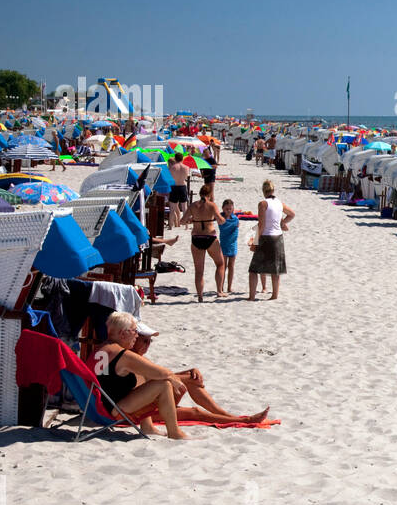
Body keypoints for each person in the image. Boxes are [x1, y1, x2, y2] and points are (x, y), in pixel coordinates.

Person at [129, 321, 269, 425]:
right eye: (144, 341)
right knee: (195, 412)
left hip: (150, 402)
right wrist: (186, 375)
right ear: (134, 340)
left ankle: (225, 415)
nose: (147, 345)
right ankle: (245, 420)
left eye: (149, 342)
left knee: (191, 378)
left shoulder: (139, 358)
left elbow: (158, 376)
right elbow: (159, 378)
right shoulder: (130, 359)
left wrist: (188, 372)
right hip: (138, 411)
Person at [93, 312, 187, 439]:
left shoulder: (102, 348)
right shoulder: (123, 355)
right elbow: (161, 372)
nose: (137, 336)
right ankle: (175, 433)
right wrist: (173, 378)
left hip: (98, 405)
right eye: (134, 331)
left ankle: (147, 426)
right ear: (123, 333)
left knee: (142, 377)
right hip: (113, 409)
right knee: (163, 384)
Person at [248, 180, 296, 301]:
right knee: (276, 270)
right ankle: (274, 295)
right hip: (278, 237)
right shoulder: (279, 203)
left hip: (266, 237)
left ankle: (251, 297)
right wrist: (282, 223)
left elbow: (261, 225)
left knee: (254, 269)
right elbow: (292, 214)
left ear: (263, 191)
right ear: (273, 190)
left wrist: (255, 242)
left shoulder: (263, 204)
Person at [181, 184, 226, 301]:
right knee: (220, 264)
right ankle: (219, 291)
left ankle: (200, 296)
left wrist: (193, 220)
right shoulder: (212, 205)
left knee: (199, 271)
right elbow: (221, 221)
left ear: (200, 193)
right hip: (210, 237)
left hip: (196, 238)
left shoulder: (193, 205)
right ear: (209, 194)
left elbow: (182, 221)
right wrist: (222, 219)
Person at [219, 199, 240, 293]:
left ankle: (229, 287)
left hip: (233, 244)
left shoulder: (235, 219)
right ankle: (221, 287)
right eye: (227, 209)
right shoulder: (220, 218)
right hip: (223, 244)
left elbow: (237, 226)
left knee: (231, 266)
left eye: (230, 209)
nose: (228, 210)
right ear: (223, 208)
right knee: (223, 266)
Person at [169, 151, 191, 223]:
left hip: (174, 186)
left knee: (172, 207)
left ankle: (171, 225)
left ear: (175, 159)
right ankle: (186, 224)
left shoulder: (173, 167)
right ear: (182, 159)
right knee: (184, 207)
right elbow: (187, 176)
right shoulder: (186, 167)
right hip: (182, 186)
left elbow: (170, 178)